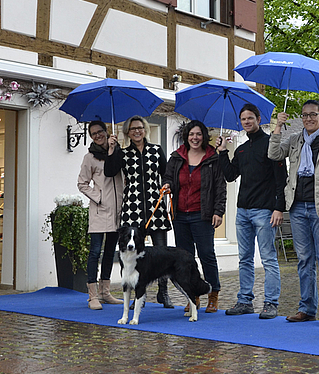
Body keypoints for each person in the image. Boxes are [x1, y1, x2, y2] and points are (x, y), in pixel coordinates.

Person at [268, 100, 319, 326]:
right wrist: (277, 126)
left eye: (313, 115)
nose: (309, 119)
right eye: (305, 115)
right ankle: (306, 308)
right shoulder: (295, 140)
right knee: (304, 260)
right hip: (297, 206)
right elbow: (274, 153)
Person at [217, 104, 287, 319]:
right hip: (243, 212)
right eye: (243, 119)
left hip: (265, 211)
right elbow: (230, 175)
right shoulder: (241, 149)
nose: (247, 122)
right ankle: (245, 301)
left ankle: (271, 303)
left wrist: (279, 208)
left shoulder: (271, 145)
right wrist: (222, 153)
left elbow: (281, 180)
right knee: (244, 259)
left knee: (268, 258)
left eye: (250, 118)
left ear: (258, 119)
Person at [105, 115, 174, 308]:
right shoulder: (124, 153)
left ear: (145, 130)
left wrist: (168, 184)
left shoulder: (155, 150)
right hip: (132, 210)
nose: (137, 131)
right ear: (127, 132)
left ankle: (163, 291)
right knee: (131, 255)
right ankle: (137, 294)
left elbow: (166, 172)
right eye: (133, 128)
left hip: (155, 207)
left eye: (140, 128)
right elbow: (110, 171)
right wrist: (111, 149)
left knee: (161, 252)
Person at [162, 120, 226, 313]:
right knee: (186, 259)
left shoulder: (212, 158)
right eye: (191, 134)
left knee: (207, 255)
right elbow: (168, 177)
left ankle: (213, 294)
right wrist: (167, 185)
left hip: (203, 215)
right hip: (180, 215)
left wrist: (218, 211)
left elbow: (220, 187)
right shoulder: (177, 157)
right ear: (186, 136)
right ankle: (193, 296)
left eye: (198, 134)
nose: (195, 138)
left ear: (204, 136)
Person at [77, 121, 125, 310]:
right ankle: (93, 296)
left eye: (100, 132)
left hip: (117, 211)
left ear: (107, 132)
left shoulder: (119, 153)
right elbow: (82, 184)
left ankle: (106, 292)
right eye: (93, 133)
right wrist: (99, 198)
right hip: (99, 210)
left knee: (109, 253)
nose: (97, 135)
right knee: (95, 252)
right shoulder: (90, 158)